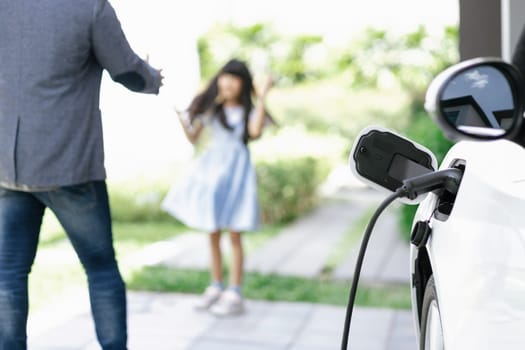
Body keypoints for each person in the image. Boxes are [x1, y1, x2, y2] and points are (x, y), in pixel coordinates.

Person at [0, 1, 163, 349]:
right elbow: (126, 71)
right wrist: (153, 76)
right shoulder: (89, 7)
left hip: (9, 167)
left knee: (8, 275)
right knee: (102, 270)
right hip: (69, 166)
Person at [162, 59, 273, 316]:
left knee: (234, 234)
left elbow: (255, 132)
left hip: (236, 175)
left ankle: (234, 291)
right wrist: (181, 119)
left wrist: (263, 95)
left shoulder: (249, 111)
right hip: (212, 174)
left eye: (235, 78)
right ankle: (215, 286)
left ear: (243, 84)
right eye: (225, 76)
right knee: (212, 231)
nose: (228, 82)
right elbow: (194, 137)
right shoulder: (212, 109)